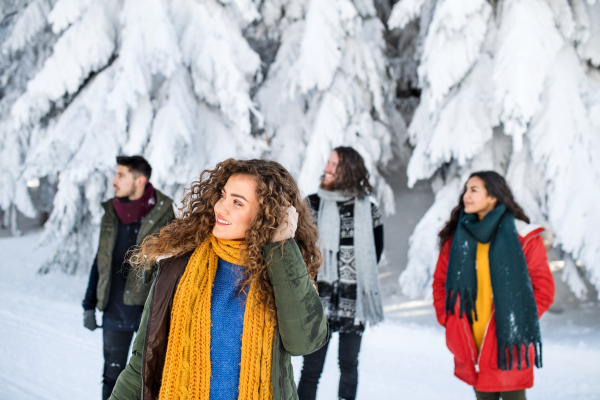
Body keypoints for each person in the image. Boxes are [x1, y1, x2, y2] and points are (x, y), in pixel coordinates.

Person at [107, 159, 328, 400]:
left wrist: (282, 245)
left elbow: (304, 342)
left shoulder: (283, 267)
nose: (220, 208)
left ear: (265, 214)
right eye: (223, 196)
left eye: (237, 202)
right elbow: (143, 361)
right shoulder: (179, 265)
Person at [432, 171, 555, 400]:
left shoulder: (523, 236)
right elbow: (441, 283)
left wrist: (518, 319)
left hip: (509, 342)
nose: (466, 195)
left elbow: (543, 288)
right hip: (471, 340)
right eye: (466, 189)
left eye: (474, 190)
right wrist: (448, 319)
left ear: (493, 197)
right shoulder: (457, 238)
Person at [82, 155, 175, 400]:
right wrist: (89, 304)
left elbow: (173, 268)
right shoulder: (111, 211)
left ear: (139, 180)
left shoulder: (164, 213)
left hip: (149, 313)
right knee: (112, 377)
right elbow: (100, 259)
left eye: (121, 175)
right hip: (113, 311)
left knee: (150, 378)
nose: (114, 181)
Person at [298, 147, 384, 400]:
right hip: (317, 300)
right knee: (311, 370)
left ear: (348, 171)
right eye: (328, 162)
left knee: (348, 366)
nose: (327, 168)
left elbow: (375, 254)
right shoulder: (311, 204)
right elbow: (298, 249)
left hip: (353, 300)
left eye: (334, 164)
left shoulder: (368, 210)